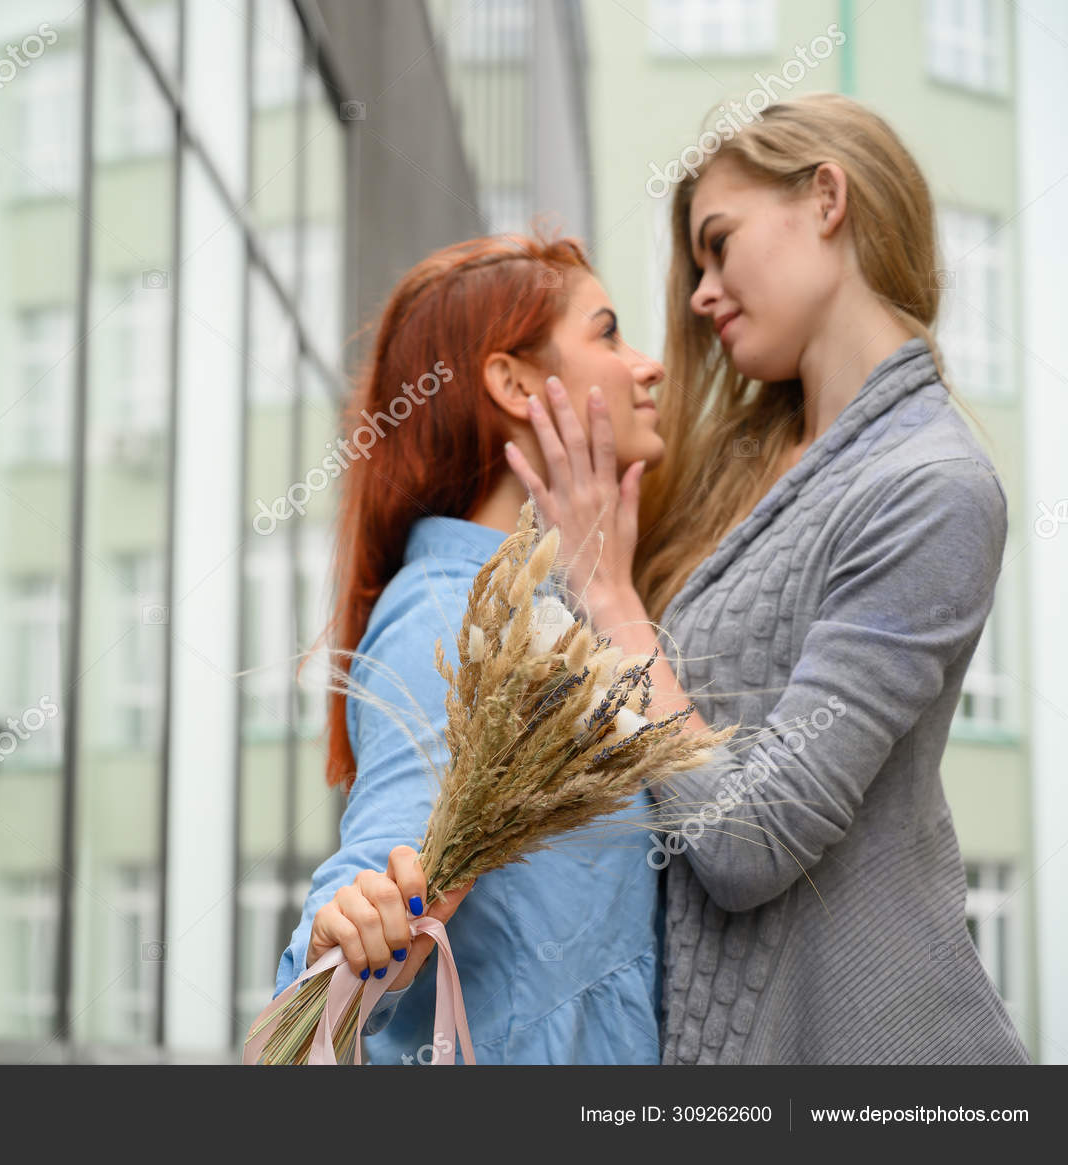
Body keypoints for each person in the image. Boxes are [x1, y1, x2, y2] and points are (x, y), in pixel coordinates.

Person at [503, 93, 1029, 1064]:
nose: (700, 294)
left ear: (826, 197)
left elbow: (750, 840)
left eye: (718, 242)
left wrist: (613, 601)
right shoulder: (744, 466)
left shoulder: (933, 488)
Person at [271, 232, 671, 1063]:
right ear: (515, 381)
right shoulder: (448, 622)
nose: (648, 365)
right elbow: (376, 888)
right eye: (607, 333)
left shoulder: (549, 613)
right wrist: (339, 942)